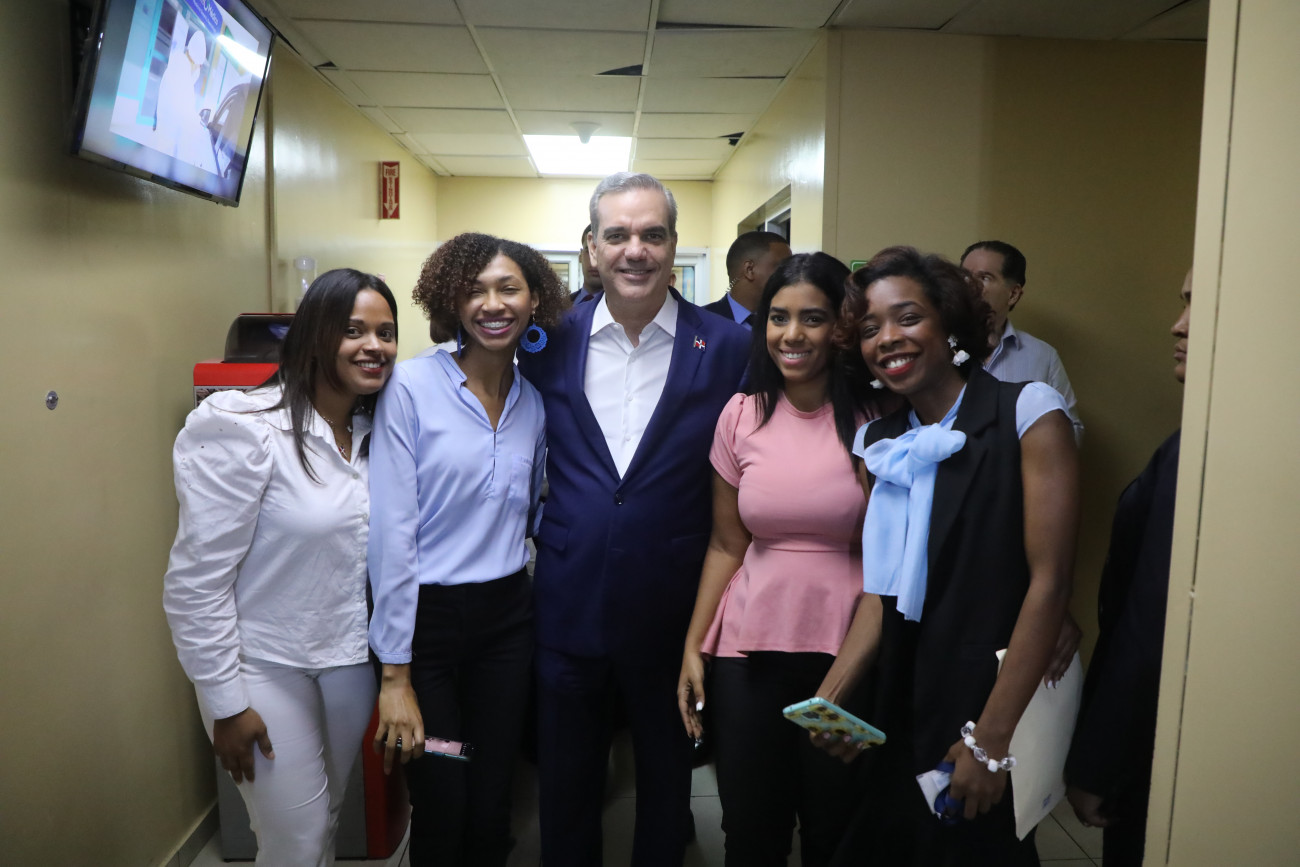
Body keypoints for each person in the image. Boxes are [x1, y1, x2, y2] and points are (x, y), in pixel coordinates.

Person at [518, 172, 750, 866]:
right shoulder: (545, 340)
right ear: (592, 248)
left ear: (674, 245)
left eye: (652, 234)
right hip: (568, 600)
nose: (635, 250)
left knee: (668, 783)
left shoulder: (728, 347)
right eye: (616, 235)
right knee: (566, 785)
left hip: (673, 606)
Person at [819, 247, 1079, 866]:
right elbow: (882, 590)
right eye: (870, 328)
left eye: (907, 317)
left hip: (987, 698)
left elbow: (1049, 584)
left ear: (950, 324)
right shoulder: (878, 442)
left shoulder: (1028, 411)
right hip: (899, 694)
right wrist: (832, 696)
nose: (888, 338)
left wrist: (990, 742)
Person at [163, 269, 399, 866]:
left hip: (346, 662)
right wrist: (226, 703)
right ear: (316, 335)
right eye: (353, 330)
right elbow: (196, 582)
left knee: (326, 821)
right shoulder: (246, 428)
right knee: (295, 840)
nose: (373, 345)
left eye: (386, 332)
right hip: (262, 666)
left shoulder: (376, 432)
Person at [367, 233, 567, 867]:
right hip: (426, 631)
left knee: (492, 793)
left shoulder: (534, 403)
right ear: (451, 301)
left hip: (506, 624)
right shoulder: (409, 386)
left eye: (509, 289)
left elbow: (530, 509)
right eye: (475, 291)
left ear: (534, 301)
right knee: (442, 789)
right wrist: (394, 673)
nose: (493, 304)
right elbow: (392, 532)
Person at [677, 252, 880, 865]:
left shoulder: (877, 423)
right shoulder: (741, 415)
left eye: (812, 318)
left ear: (841, 327)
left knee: (835, 831)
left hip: (846, 650)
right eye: (778, 317)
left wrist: (851, 673)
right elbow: (726, 544)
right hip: (748, 652)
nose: (792, 335)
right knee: (750, 828)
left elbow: (891, 560)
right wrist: (694, 646)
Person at [1065, 269, 1192, 866]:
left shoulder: (1200, 454)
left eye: (1199, 306)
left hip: (1167, 742)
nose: (1178, 325)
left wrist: (1100, 761)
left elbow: (1152, 622)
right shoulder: (1190, 439)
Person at [959, 241, 1083, 443]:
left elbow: (1072, 431)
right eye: (964, 276)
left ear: (1013, 294)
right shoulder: (936, 347)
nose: (969, 286)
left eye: (984, 278)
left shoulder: (1043, 356)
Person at [705, 231, 793, 328]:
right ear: (749, 270)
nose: (790, 275)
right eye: (782, 268)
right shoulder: (701, 322)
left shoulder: (790, 321)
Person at [572, 223, 604, 304]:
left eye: (601, 252)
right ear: (580, 256)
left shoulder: (626, 308)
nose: (594, 263)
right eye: (589, 250)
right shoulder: (561, 307)